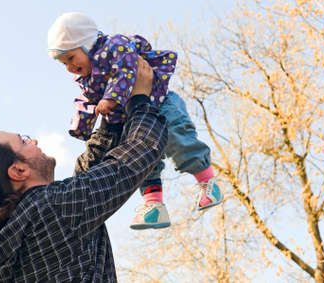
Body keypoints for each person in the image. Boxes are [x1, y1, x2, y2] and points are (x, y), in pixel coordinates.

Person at [0, 57, 168, 282]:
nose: (34, 141)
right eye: (24, 141)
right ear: (18, 171)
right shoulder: (51, 209)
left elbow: (87, 182)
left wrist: (111, 118)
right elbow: (138, 154)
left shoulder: (4, 238)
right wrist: (141, 99)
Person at [47, 12, 223, 230]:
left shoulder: (115, 46)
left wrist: (111, 98)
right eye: (64, 63)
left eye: (71, 58)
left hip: (160, 104)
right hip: (133, 119)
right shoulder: (87, 78)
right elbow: (86, 101)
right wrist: (82, 125)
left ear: (86, 44)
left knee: (179, 140)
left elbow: (126, 69)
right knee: (143, 159)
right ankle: (154, 206)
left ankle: (207, 182)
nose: (69, 68)